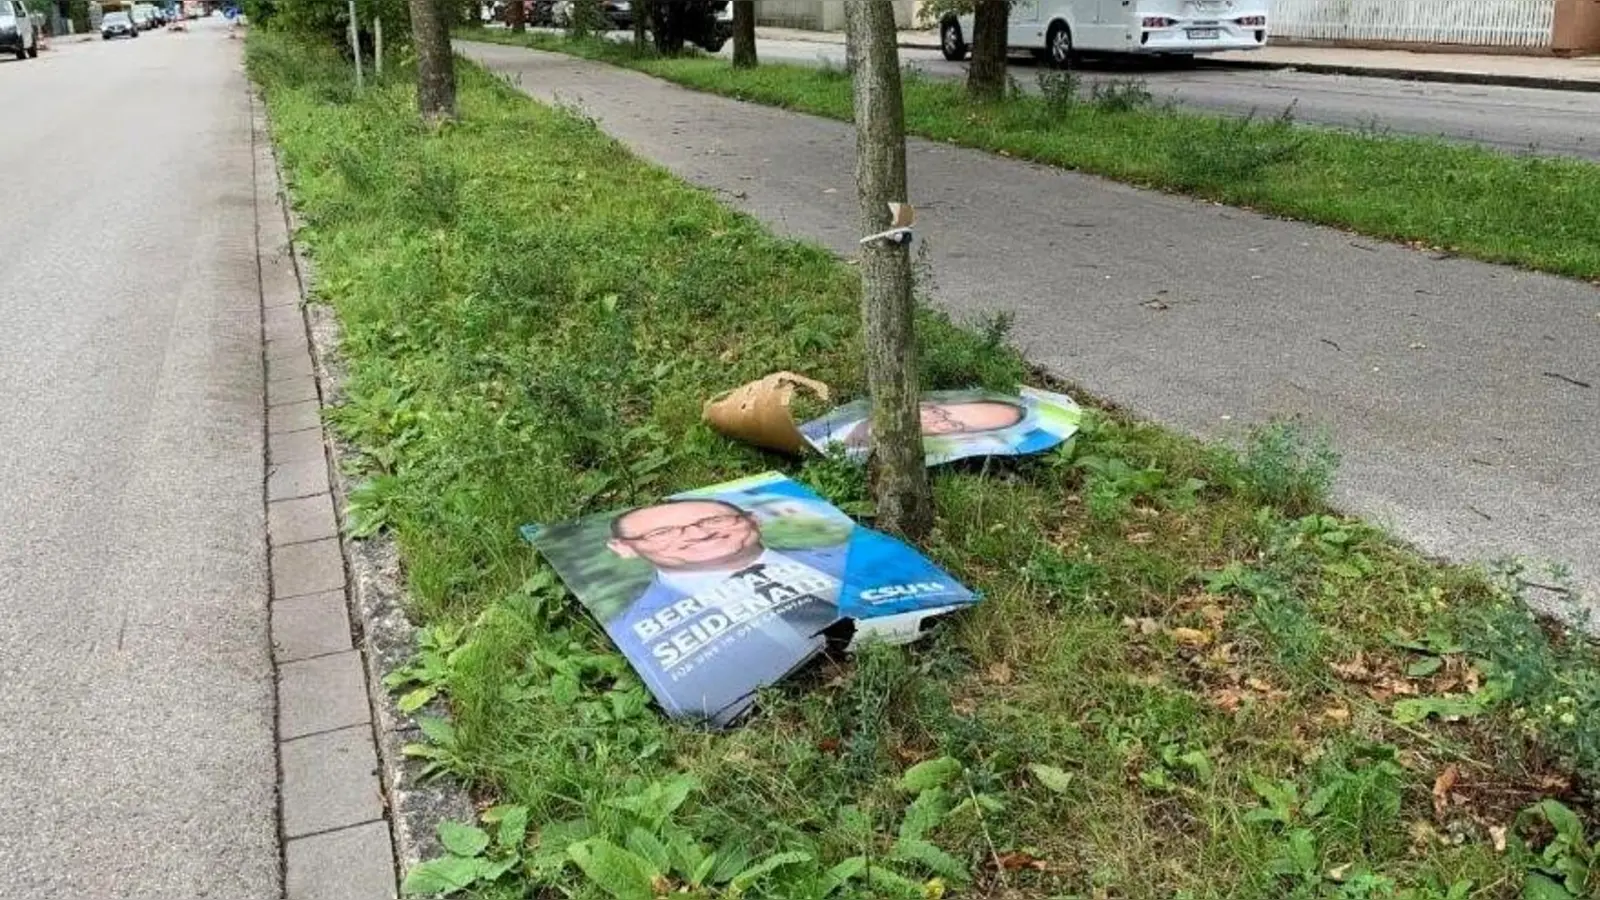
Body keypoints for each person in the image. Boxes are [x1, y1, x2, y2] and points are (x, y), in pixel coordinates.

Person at [603, 497, 845, 723]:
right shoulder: (631, 633)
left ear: (753, 519)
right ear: (623, 548)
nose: (699, 534)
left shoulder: (848, 555)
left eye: (714, 520)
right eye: (662, 532)